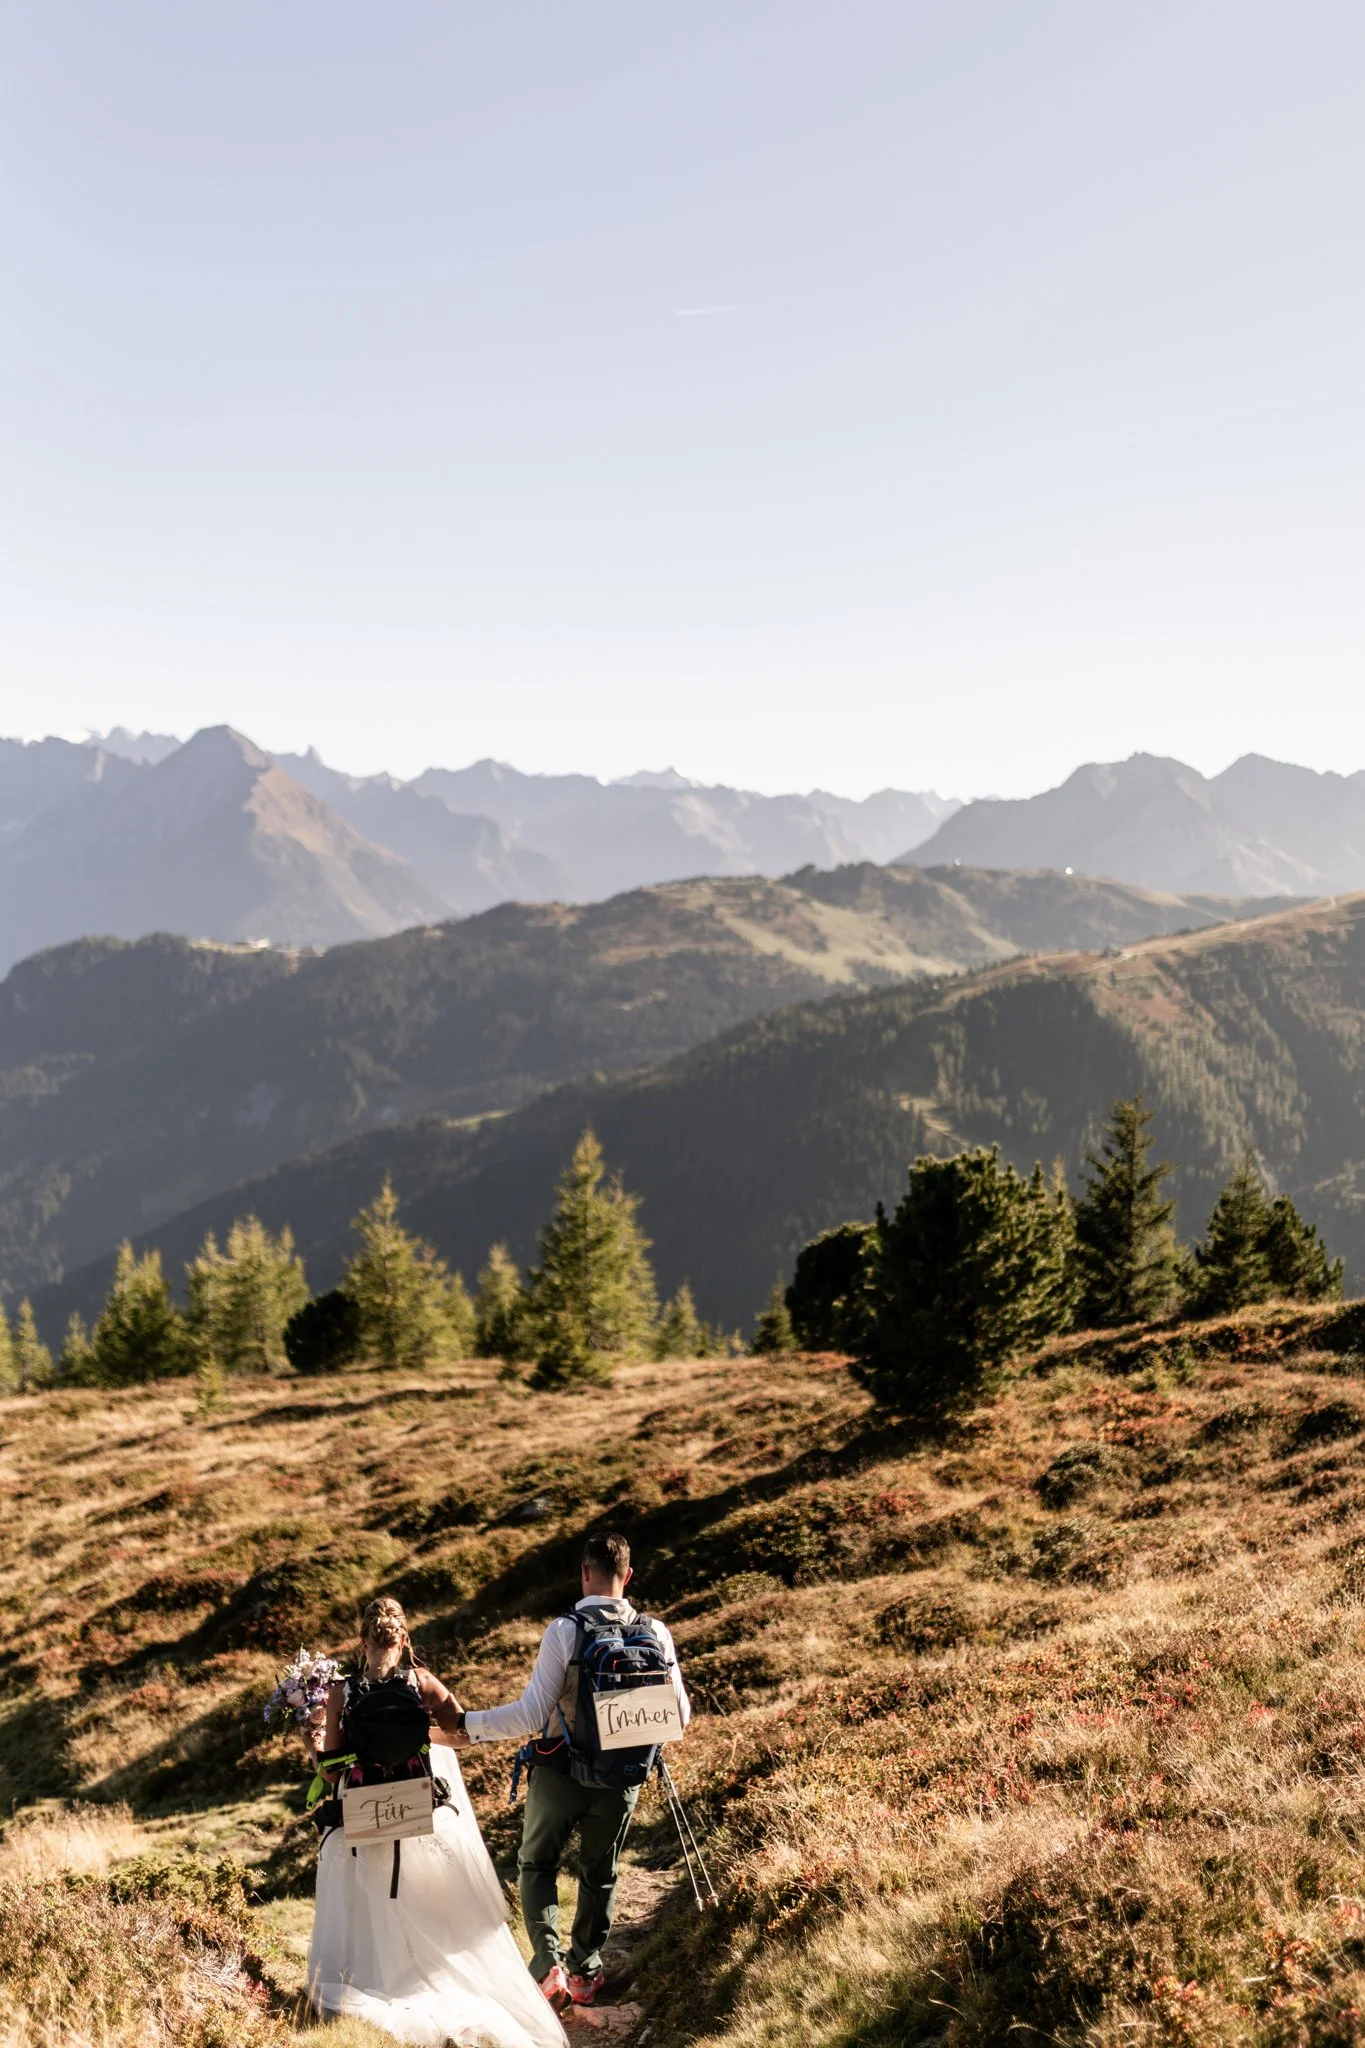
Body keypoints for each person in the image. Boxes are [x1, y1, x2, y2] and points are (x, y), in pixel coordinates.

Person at [307, 1595, 566, 2048]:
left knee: (369, 1901)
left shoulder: (340, 1693)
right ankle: (433, 1979)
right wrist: (421, 1734)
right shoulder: (422, 1682)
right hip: (417, 1810)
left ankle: (379, 1983)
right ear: (404, 1639)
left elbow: (331, 1770)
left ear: (361, 1641)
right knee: (424, 1901)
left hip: (366, 1817)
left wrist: (311, 1743)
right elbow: (463, 1735)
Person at [452, 1532, 690, 2013]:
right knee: (600, 1872)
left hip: (560, 1771)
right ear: (629, 1575)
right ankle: (586, 1971)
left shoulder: (565, 1630)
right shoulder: (656, 1632)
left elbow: (530, 1714)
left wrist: (466, 1726)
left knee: (537, 1864)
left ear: (584, 1573)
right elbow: (680, 1717)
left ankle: (549, 1964)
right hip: (622, 1778)